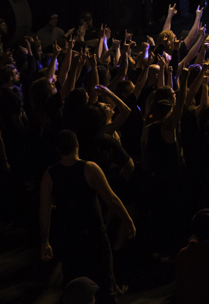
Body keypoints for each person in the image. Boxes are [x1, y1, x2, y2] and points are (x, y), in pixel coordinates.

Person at [39, 130, 135, 304]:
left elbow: (44, 211)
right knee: (105, 283)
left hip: (69, 237)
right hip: (94, 235)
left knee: (75, 286)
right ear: (77, 145)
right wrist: (128, 220)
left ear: (58, 149)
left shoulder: (49, 175)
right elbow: (111, 198)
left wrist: (45, 241)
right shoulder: (89, 168)